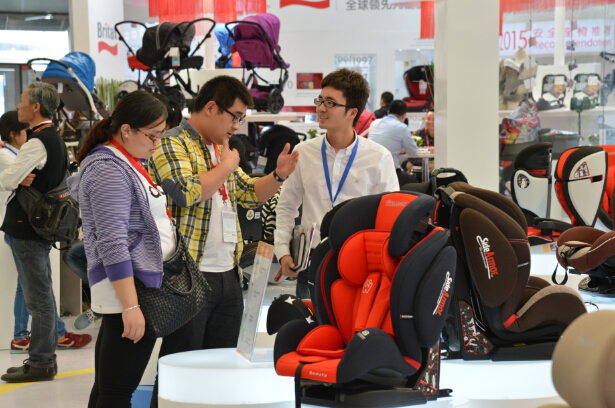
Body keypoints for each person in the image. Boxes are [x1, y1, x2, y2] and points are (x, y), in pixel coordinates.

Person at [148, 75, 299, 407]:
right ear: (211, 107)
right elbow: (186, 192)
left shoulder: (220, 148)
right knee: (180, 369)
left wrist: (278, 175)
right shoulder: (172, 142)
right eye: (235, 117)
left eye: (241, 119)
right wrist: (227, 165)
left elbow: (251, 193)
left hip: (229, 277)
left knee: (222, 368)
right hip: (188, 276)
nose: (236, 126)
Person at [66, 91, 171, 407]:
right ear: (126, 130)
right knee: (116, 393)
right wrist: (130, 306)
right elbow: (112, 241)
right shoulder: (108, 168)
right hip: (128, 291)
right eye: (152, 136)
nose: (156, 144)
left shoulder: (125, 161)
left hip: (132, 289)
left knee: (109, 389)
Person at [274, 69, 399, 300]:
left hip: (358, 264)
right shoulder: (304, 152)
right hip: (311, 260)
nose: (321, 108)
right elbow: (286, 206)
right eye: (320, 100)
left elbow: (390, 218)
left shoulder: (378, 157)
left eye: (330, 103)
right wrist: (282, 250)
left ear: (352, 112)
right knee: (311, 322)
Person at [0, 84, 92, 383]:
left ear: (36, 106)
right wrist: (16, 178)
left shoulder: (37, 142)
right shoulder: (53, 137)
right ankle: (45, 360)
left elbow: (7, 179)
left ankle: (41, 362)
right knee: (43, 296)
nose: (18, 105)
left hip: (27, 229)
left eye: (22, 100)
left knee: (38, 300)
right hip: (39, 228)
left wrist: (14, 179)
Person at [368, 99, 419, 169]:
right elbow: (413, 152)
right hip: (389, 171)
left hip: (370, 168)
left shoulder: (374, 123)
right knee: (410, 176)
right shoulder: (402, 127)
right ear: (404, 115)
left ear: (388, 112)